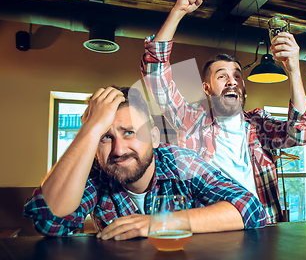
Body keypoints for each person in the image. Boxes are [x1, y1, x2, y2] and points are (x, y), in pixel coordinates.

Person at [140, 0, 306, 223]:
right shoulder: (190, 120)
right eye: (222, 76)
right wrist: (178, 12)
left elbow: (299, 135)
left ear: (243, 88)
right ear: (207, 88)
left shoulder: (259, 126)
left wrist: (294, 70)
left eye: (237, 76)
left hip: (263, 230)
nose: (232, 81)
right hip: (210, 234)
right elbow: (155, 73)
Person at [24, 86, 267, 239]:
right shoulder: (96, 172)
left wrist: (159, 224)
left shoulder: (180, 161)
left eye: (129, 132)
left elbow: (251, 210)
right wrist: (89, 129)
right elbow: (49, 223)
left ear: (154, 138)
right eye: (105, 137)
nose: (118, 150)